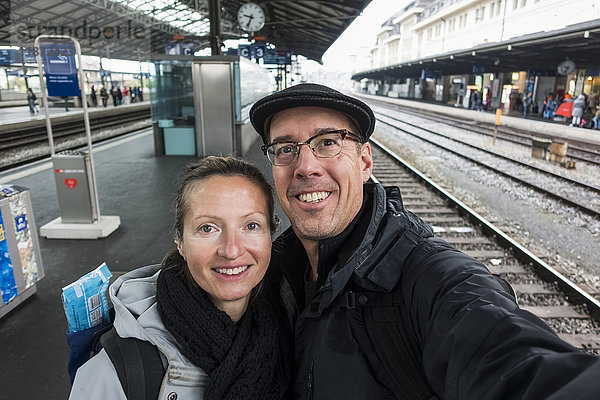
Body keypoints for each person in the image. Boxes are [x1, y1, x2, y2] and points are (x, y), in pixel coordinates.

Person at [249, 83, 600, 400]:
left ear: (365, 161)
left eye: (327, 142)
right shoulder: (270, 271)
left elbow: (513, 362)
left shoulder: (433, 279)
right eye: (285, 149)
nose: (305, 166)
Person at [69, 156, 290, 400]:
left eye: (251, 226)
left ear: (270, 235)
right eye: (208, 228)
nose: (232, 250)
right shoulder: (118, 370)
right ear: (180, 242)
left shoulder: (291, 325)